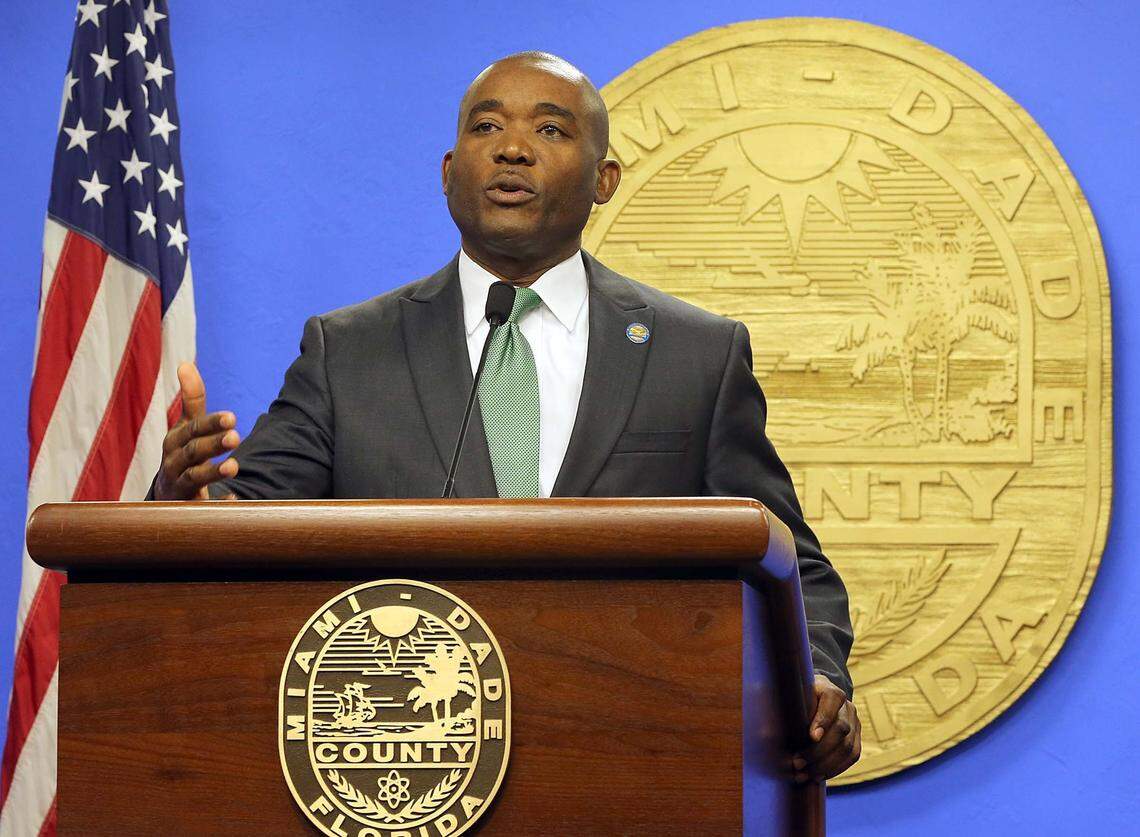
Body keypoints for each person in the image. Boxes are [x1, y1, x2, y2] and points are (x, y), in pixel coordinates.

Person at [152, 51, 860, 782]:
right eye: (487, 125)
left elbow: (793, 564)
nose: (513, 147)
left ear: (604, 179)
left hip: (630, 766)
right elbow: (238, 518)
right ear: (450, 169)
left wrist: (822, 676)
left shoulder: (697, 355)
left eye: (551, 129)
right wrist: (185, 503)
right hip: (409, 767)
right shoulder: (348, 352)